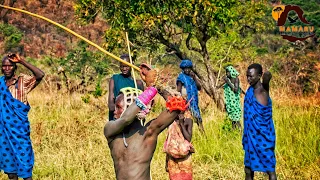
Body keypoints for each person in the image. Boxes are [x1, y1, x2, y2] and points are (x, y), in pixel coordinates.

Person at [104, 67, 188, 180]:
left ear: (130, 107)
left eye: (118, 107)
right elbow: (126, 119)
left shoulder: (148, 133)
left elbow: (178, 105)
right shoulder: (110, 131)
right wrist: (151, 89)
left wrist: (158, 86)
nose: (114, 111)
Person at [0, 54, 45, 180]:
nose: (7, 68)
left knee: (25, 166)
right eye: (4, 66)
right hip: (3, 133)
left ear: (15, 67)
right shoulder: (0, 84)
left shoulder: (22, 81)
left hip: (19, 131)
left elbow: (40, 75)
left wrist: (21, 61)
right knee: (10, 170)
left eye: (10, 66)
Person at [242, 63, 276, 180]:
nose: (248, 79)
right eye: (247, 76)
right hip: (251, 138)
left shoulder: (263, 91)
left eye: (251, 76)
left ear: (259, 75)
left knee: (270, 170)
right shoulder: (250, 90)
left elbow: (267, 78)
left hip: (264, 138)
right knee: (248, 169)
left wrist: (266, 78)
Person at [108, 54, 144, 121]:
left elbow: (142, 106)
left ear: (132, 64)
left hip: (133, 120)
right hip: (116, 120)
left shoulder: (138, 84)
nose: (124, 69)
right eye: (122, 66)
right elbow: (111, 106)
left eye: (127, 66)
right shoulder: (114, 79)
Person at [176, 59, 204, 133]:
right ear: (183, 69)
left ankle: (204, 137)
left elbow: (199, 87)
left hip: (194, 102)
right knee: (187, 121)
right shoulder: (181, 78)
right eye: (185, 68)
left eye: (189, 68)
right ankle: (186, 138)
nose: (187, 70)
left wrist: (194, 78)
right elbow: (178, 91)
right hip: (185, 103)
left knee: (198, 119)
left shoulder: (192, 77)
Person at [164, 112, 194, 180]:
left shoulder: (187, 120)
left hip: (185, 160)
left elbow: (188, 138)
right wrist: (166, 162)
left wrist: (181, 123)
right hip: (172, 159)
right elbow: (169, 141)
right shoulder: (170, 121)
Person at [217, 65, 243, 129]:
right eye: (226, 72)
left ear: (231, 72)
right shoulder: (228, 80)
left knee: (236, 120)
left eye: (228, 72)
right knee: (232, 121)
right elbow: (220, 86)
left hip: (235, 104)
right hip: (230, 104)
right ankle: (234, 134)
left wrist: (228, 82)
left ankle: (241, 132)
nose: (226, 74)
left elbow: (236, 90)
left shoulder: (235, 79)